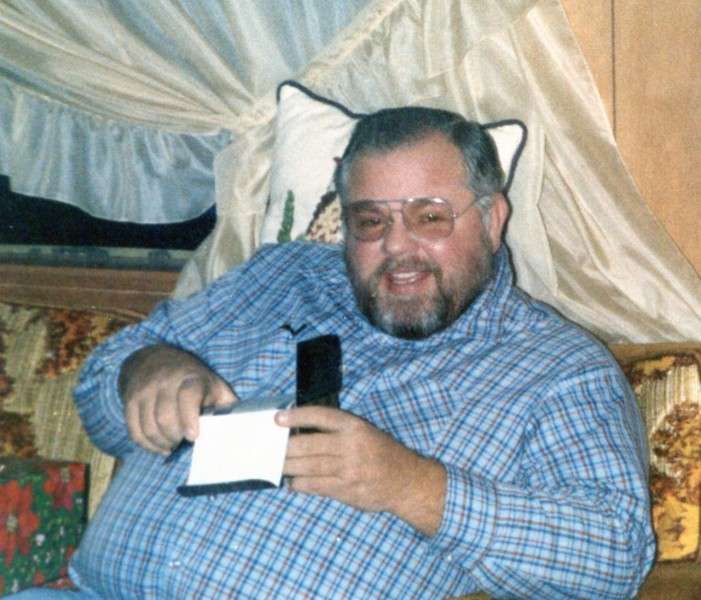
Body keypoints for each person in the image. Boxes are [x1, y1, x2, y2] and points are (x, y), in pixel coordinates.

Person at [14, 107, 655, 599]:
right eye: (371, 221)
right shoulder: (279, 276)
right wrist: (144, 370)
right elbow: (99, 394)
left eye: (430, 217)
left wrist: (413, 487)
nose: (397, 247)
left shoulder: (557, 368)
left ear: (491, 220)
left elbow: (615, 557)